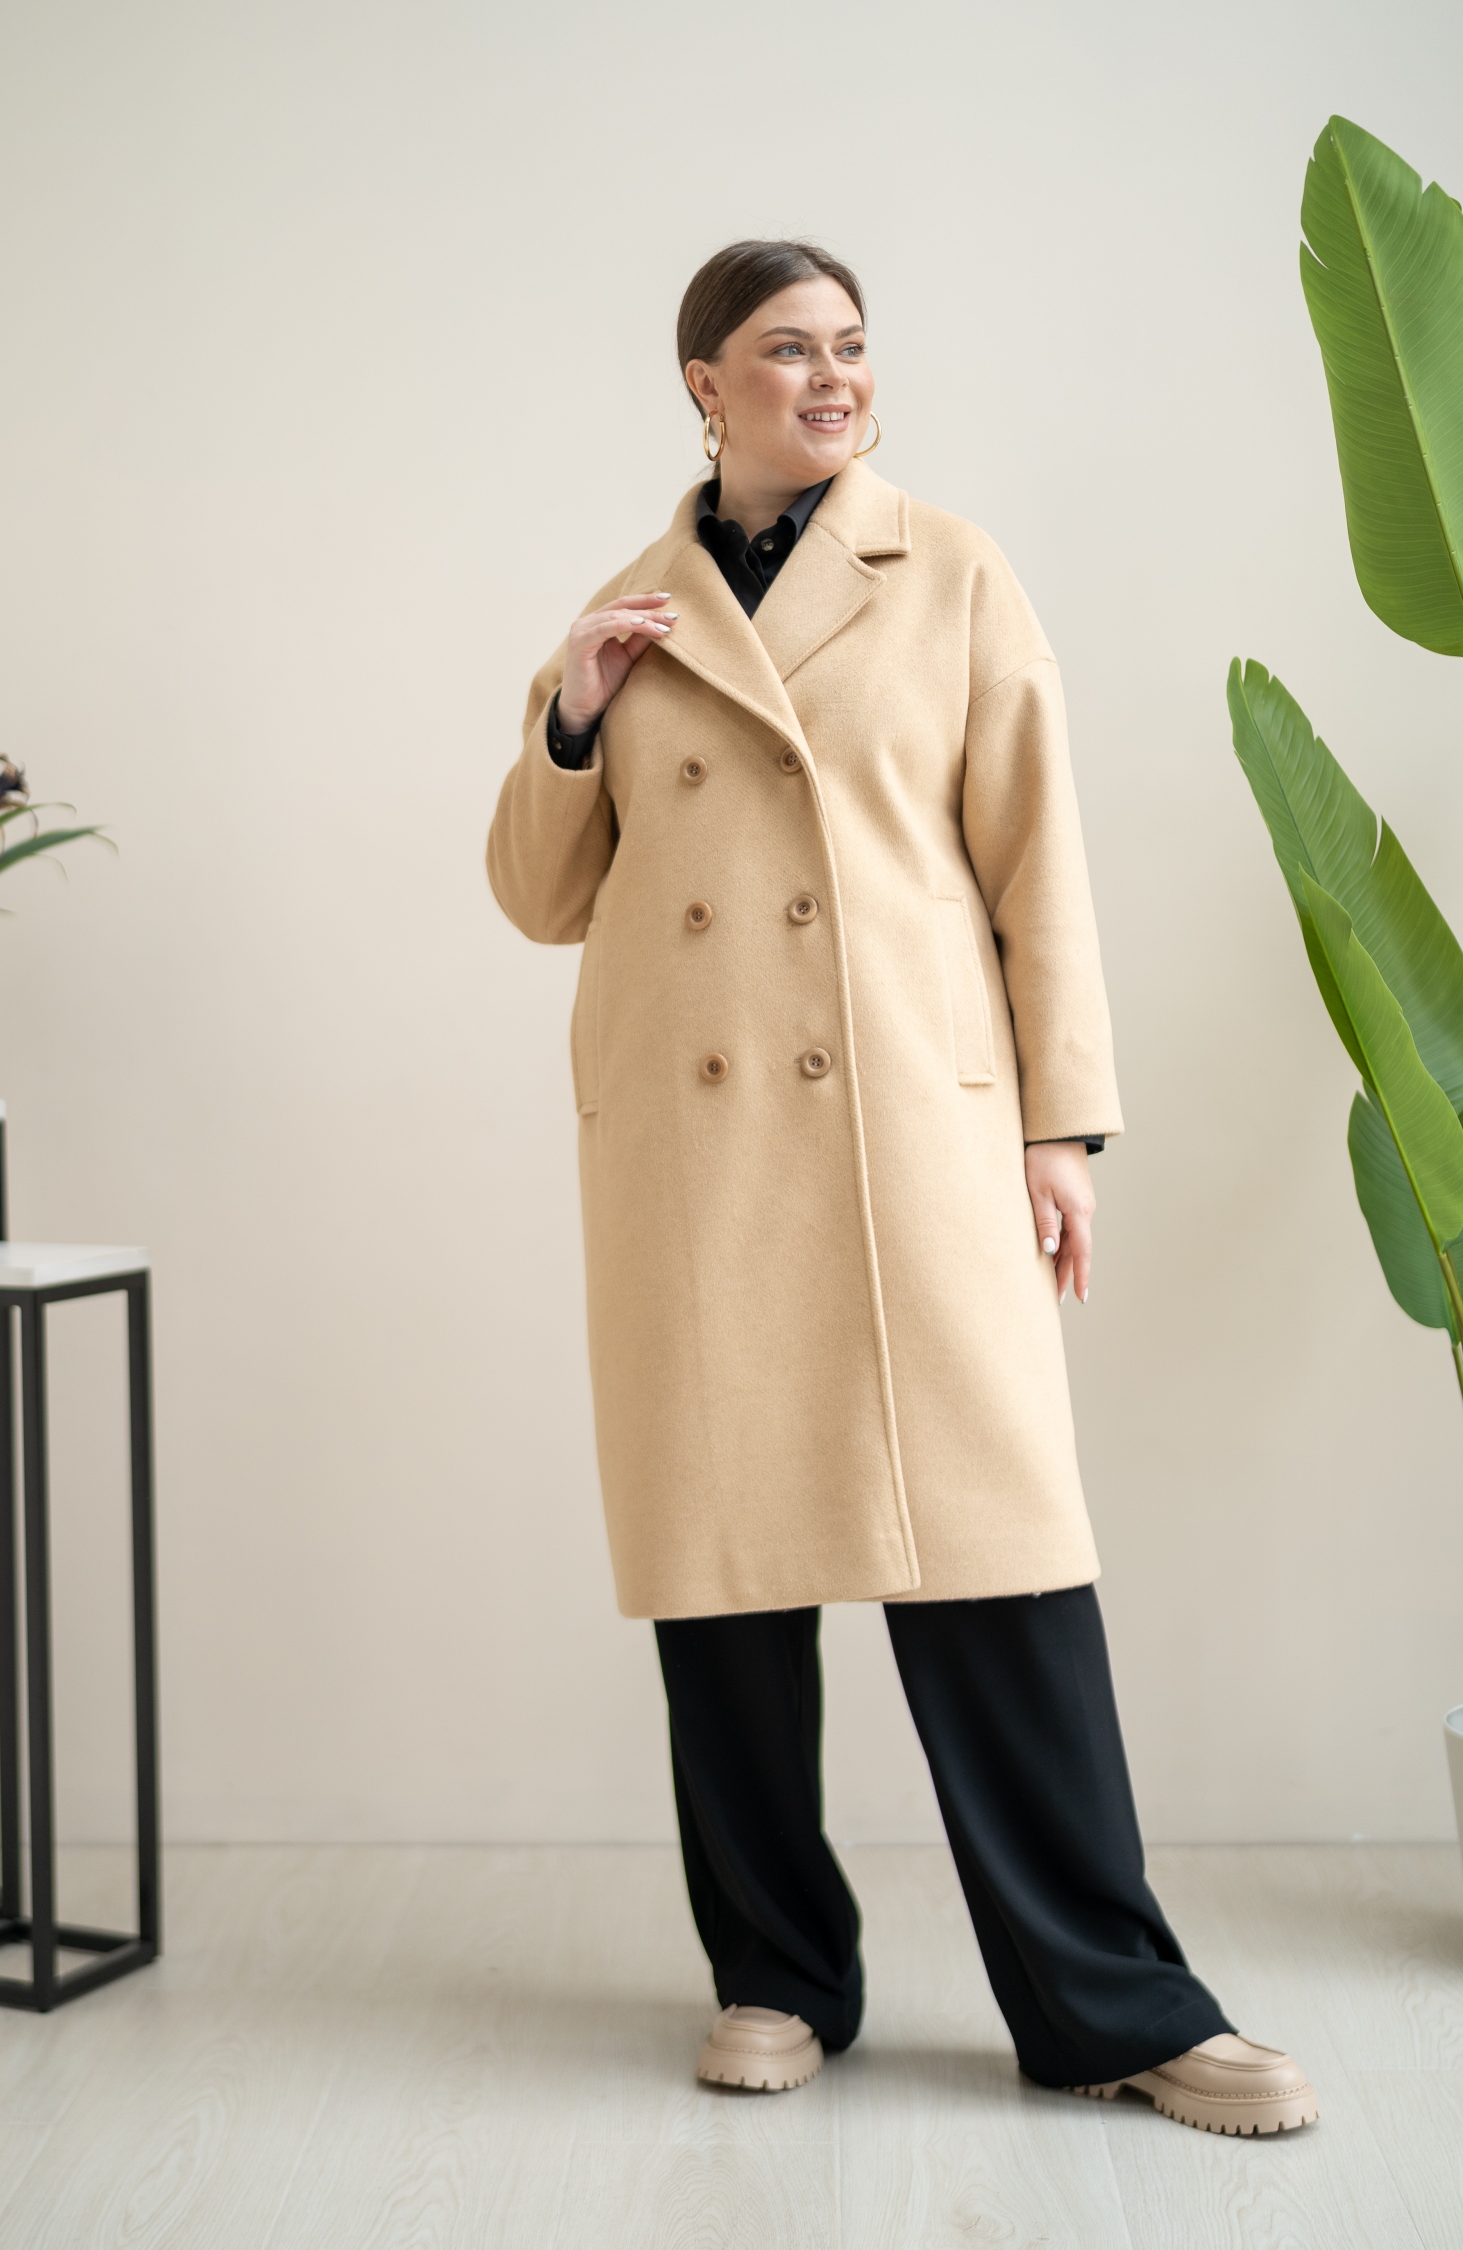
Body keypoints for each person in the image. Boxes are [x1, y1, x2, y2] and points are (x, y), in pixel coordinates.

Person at [486, 239, 1317, 2137]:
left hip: (912, 1141)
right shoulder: (629, 610)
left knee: (999, 1569)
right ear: (704, 384)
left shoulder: (949, 570)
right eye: (789, 349)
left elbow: (1039, 860)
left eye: (853, 346)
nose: (834, 377)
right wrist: (574, 715)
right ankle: (778, 1971)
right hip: (699, 1157)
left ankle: (1116, 2000)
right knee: (726, 1592)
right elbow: (539, 895)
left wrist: (1060, 1127)